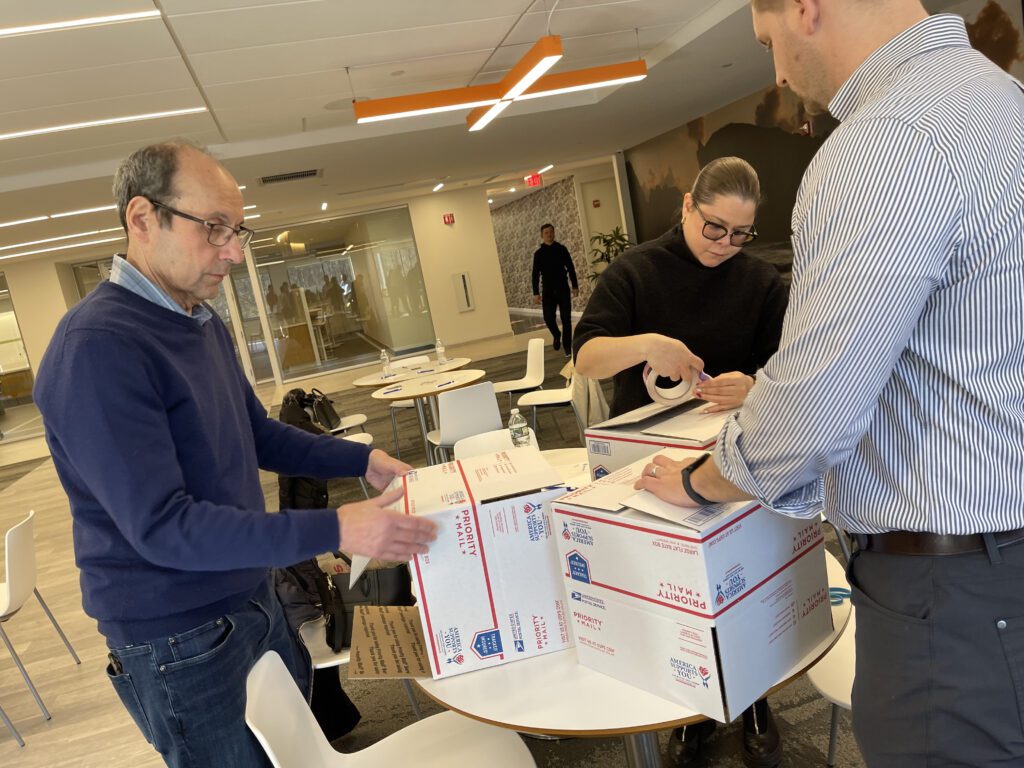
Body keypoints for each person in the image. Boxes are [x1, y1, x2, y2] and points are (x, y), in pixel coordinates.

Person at [634, 3, 1024, 766]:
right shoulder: (999, 100)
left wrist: (702, 480)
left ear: (806, 8)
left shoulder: (885, 143)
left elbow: (810, 415)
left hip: (952, 603)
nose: (777, 72)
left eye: (769, 40)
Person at [33, 140, 437, 768]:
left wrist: (360, 459)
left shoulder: (199, 320)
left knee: (296, 750)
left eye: (238, 230)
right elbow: (163, 528)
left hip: (252, 593)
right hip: (179, 634)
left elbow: (255, 434)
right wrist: (336, 526)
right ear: (143, 219)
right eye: (213, 228)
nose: (233, 250)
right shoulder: (99, 348)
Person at [574, 156, 788, 768]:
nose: (726, 244)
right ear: (688, 205)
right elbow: (586, 357)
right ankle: (693, 707)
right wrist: (648, 344)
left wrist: (756, 385)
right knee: (674, 595)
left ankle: (753, 698)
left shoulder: (759, 280)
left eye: (740, 233)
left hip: (734, 456)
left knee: (740, 582)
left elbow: (792, 368)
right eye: (714, 227)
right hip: (648, 459)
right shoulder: (637, 270)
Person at [531, 223, 579, 355]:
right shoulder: (539, 254)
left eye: (551, 232)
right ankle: (556, 334)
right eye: (546, 233)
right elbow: (535, 274)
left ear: (554, 233)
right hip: (547, 291)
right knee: (548, 318)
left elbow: (570, 268)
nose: (549, 234)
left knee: (566, 319)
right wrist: (535, 293)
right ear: (542, 236)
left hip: (563, 289)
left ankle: (567, 347)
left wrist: (574, 285)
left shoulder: (562, 249)